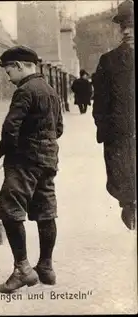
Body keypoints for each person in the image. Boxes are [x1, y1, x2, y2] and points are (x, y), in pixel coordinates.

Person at [0, 46, 63, 293]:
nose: (8, 76)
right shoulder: (51, 91)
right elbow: (59, 129)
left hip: (24, 161)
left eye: (9, 70)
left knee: (10, 211)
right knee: (46, 211)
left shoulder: (24, 91)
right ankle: (46, 267)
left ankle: (22, 270)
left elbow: (10, 128)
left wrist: (9, 153)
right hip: (49, 160)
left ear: (20, 66)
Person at [92, 0, 136, 230]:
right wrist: (108, 133)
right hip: (121, 140)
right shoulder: (109, 61)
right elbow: (99, 104)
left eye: (132, 25)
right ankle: (128, 207)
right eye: (123, 26)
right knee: (127, 189)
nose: (127, 31)